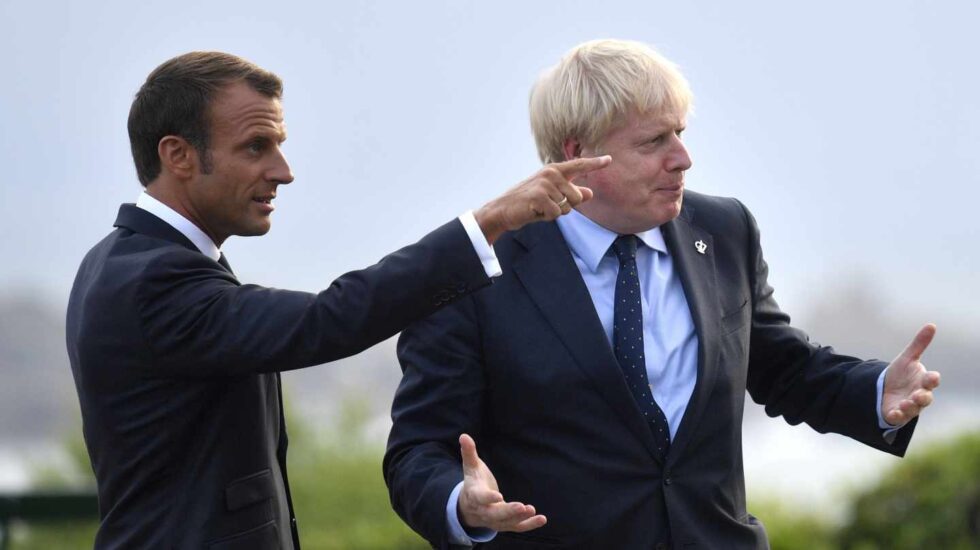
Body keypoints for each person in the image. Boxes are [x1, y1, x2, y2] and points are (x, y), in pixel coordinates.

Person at [383, 39, 941, 549]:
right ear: (577, 154)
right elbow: (417, 451)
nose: (682, 158)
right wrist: (462, 504)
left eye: (680, 133)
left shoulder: (724, 230)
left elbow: (782, 369)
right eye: (654, 141)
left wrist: (875, 392)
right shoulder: (473, 269)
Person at [65, 51, 609, 549]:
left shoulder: (130, 260)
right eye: (256, 146)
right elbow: (327, 320)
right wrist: (490, 222)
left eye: (279, 143)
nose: (283, 170)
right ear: (178, 155)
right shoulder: (152, 282)